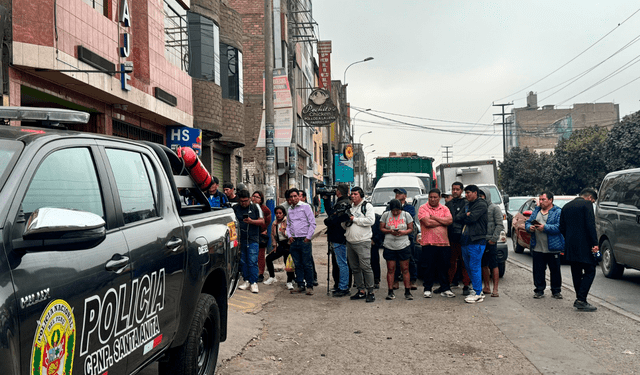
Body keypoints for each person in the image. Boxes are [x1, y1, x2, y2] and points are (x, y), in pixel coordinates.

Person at [559, 188, 599, 312]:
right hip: (585, 245)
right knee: (590, 270)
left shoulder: (566, 206)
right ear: (590, 198)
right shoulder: (586, 204)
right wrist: (594, 243)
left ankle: (580, 298)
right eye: (593, 201)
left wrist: (569, 238)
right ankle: (581, 299)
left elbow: (561, 227)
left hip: (570, 245)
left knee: (576, 272)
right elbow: (590, 225)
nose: (592, 203)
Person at [525, 191, 564, 300]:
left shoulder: (557, 212)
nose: (541, 202)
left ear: (550, 200)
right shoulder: (536, 211)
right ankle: (539, 290)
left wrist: (545, 227)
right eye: (540, 199)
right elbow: (527, 223)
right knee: (538, 270)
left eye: (543, 200)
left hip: (552, 247)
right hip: (537, 246)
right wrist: (530, 228)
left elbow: (559, 227)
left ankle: (556, 291)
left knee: (555, 270)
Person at [454, 184, 488, 304]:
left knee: (474, 266)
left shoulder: (481, 204)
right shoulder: (467, 205)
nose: (466, 195)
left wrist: (467, 216)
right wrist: (465, 215)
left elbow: (472, 218)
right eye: (466, 193)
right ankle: (476, 289)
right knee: (468, 266)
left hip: (477, 240)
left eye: (468, 193)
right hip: (465, 240)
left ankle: (478, 292)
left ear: (475, 193)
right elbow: (457, 218)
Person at [418, 188, 455, 298]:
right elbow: (427, 223)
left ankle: (445, 289)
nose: (432, 199)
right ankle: (427, 289)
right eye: (431, 197)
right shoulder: (423, 208)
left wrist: (434, 217)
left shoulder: (444, 208)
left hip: (443, 243)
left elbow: (449, 221)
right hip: (428, 243)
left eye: (435, 197)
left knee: (444, 267)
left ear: (439, 198)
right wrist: (441, 221)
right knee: (429, 267)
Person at [345, 186, 376, 302]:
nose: (353, 196)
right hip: (350, 241)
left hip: (363, 241)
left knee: (366, 267)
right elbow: (346, 224)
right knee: (355, 268)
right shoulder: (351, 207)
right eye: (351, 194)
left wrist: (354, 219)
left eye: (355, 194)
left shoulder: (367, 206)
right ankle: (361, 290)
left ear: (361, 195)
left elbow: (370, 221)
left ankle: (370, 291)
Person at [380, 199, 415, 300]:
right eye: (393, 211)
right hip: (389, 245)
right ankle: (390, 291)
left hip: (403, 245)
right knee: (391, 269)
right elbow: (381, 228)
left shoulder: (406, 215)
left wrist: (403, 232)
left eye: (397, 211)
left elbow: (410, 228)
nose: (395, 213)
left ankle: (407, 291)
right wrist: (389, 231)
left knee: (405, 268)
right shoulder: (386, 215)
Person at [285, 188, 317, 295]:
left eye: (295, 196)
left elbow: (312, 223)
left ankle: (309, 286)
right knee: (297, 264)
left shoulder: (306, 207)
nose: (293, 198)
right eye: (291, 197)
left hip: (304, 240)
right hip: (294, 240)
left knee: (307, 263)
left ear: (299, 196)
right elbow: (288, 225)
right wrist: (289, 236)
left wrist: (308, 237)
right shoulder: (290, 209)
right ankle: (300, 285)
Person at [323, 184, 352, 297]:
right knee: (339, 263)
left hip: (339, 237)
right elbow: (331, 213)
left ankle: (344, 287)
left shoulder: (343, 204)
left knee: (342, 263)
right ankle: (340, 285)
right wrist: (326, 199)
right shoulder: (341, 202)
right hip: (337, 237)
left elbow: (333, 218)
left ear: (339, 192)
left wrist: (328, 220)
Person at [233, 189, 265, 293]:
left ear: (250, 199)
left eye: (246, 201)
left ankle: (254, 282)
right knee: (243, 261)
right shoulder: (235, 208)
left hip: (253, 238)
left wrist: (252, 221)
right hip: (241, 239)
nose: (243, 203)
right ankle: (246, 280)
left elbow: (262, 221)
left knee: (252, 261)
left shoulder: (256, 207)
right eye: (241, 201)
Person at [446, 182, 472, 295]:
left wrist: (458, 218)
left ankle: (466, 285)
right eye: (453, 189)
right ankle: (447, 285)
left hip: (464, 237)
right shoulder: (448, 204)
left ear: (461, 190)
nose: (455, 191)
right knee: (450, 262)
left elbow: (468, 218)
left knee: (465, 262)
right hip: (451, 237)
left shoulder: (467, 203)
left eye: (457, 189)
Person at [390, 188, 418, 290]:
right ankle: (396, 280)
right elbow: (387, 218)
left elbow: (408, 219)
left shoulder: (409, 207)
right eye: (396, 193)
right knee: (395, 261)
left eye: (400, 193)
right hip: (393, 237)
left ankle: (412, 280)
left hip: (407, 237)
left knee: (410, 259)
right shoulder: (389, 207)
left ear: (405, 196)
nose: (397, 194)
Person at [480, 189, 504, 298]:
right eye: (479, 195)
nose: (481, 197)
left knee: (493, 264)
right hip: (481, 241)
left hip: (491, 241)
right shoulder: (479, 208)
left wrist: (493, 239)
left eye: (482, 195)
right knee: (483, 265)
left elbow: (499, 225)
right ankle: (487, 287)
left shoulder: (495, 208)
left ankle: (495, 289)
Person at [264, 205, 295, 288]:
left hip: (288, 244)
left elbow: (291, 233)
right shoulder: (274, 223)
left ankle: (289, 281)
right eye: (277, 213)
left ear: (283, 214)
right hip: (280, 245)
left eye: (280, 213)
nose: (278, 215)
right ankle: (272, 277)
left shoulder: (287, 221)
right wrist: (274, 245)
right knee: (269, 258)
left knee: (288, 263)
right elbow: (273, 235)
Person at [252, 191, 272, 283]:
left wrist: (263, 229)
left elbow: (267, 222)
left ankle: (260, 273)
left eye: (257, 197)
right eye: (253, 196)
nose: (254, 198)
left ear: (261, 199)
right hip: (251, 234)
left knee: (260, 255)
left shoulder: (265, 209)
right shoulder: (249, 207)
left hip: (261, 234)